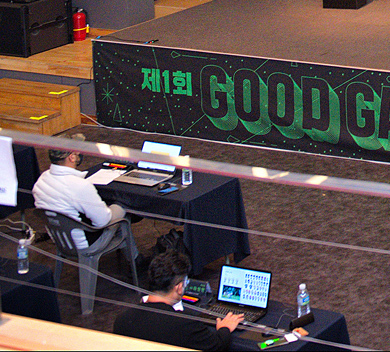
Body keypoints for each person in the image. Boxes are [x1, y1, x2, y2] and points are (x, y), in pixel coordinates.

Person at [113, 250, 243, 350]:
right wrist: (225, 328)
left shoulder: (122, 321)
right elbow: (217, 346)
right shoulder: (185, 323)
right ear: (179, 288)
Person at [32, 142, 128, 248]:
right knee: (122, 207)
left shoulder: (41, 181)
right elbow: (102, 222)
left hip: (60, 239)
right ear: (72, 157)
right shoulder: (80, 185)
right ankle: (134, 256)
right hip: (83, 243)